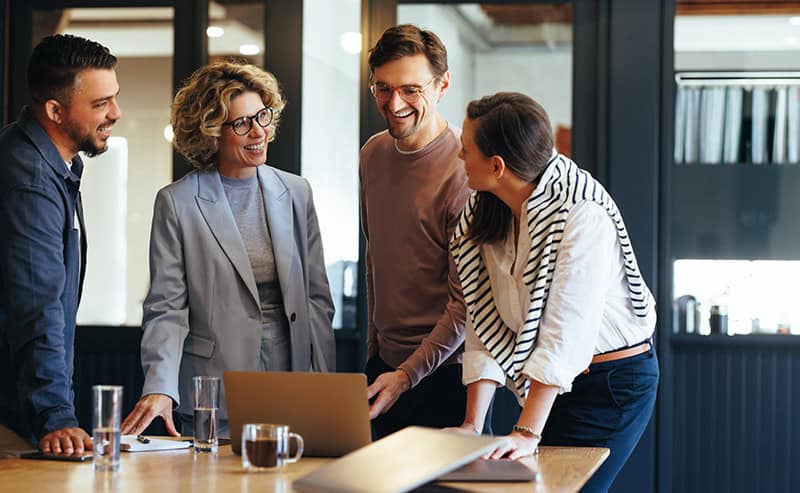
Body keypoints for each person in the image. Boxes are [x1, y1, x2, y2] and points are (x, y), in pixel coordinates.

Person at [449, 92, 659, 492]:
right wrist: (472, 426)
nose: (460, 158)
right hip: (554, 384)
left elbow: (567, 334)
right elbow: (482, 317)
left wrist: (527, 431)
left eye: (466, 151)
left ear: (497, 166)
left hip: (612, 384)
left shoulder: (582, 213)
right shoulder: (485, 209)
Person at [121, 61, 335, 438]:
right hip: (214, 387)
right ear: (211, 132)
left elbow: (317, 299)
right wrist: (159, 385)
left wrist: (324, 385)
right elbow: (166, 307)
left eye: (262, 117)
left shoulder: (296, 191)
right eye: (241, 123)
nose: (258, 132)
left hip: (293, 381)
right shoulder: (178, 202)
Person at [0, 34, 121, 453]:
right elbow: (37, 303)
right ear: (54, 109)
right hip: (13, 416)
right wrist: (55, 415)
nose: (115, 113)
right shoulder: (31, 179)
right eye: (100, 103)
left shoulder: (51, 164)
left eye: (114, 98)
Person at [360, 24, 471, 438]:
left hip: (447, 376)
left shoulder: (465, 169)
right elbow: (376, 260)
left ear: (442, 85)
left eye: (411, 89)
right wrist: (376, 356)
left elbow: (465, 305)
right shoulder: (372, 155)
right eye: (383, 89)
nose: (395, 103)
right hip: (383, 369)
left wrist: (407, 374)